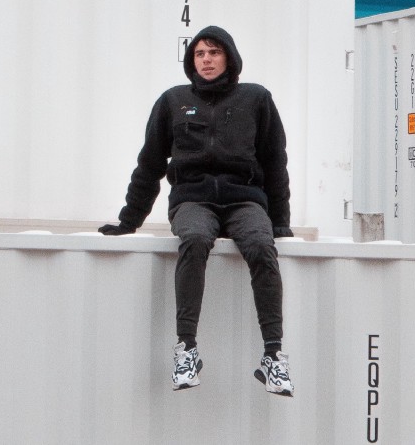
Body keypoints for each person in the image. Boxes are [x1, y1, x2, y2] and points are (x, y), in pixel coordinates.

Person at [98, 25, 295, 396]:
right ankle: (186, 349)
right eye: (199, 54)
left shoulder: (256, 99)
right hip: (193, 199)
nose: (206, 60)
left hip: (244, 199)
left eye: (214, 53)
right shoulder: (173, 100)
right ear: (192, 61)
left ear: (229, 58)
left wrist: (280, 221)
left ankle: (273, 357)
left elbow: (274, 162)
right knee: (194, 238)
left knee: (261, 244)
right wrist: (129, 220)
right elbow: (150, 164)